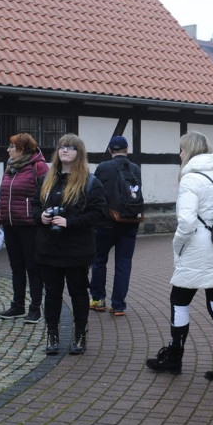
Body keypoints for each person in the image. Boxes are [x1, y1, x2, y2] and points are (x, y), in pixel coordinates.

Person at [145, 130, 213, 383]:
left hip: (196, 250)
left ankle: (174, 357)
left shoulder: (190, 180)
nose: (179, 154)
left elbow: (186, 223)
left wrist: (177, 246)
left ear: (189, 151)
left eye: (181, 149)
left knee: (179, 301)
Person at [32, 134, 108, 356]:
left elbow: (99, 213)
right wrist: (41, 217)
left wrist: (70, 222)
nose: (65, 150)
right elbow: (35, 205)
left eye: (71, 147)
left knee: (78, 293)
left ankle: (79, 335)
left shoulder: (90, 183)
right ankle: (52, 335)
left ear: (79, 153)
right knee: (52, 294)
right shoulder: (46, 180)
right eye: (62, 147)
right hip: (48, 248)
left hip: (77, 249)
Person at [0, 133, 50, 323]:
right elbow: (3, 197)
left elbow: (47, 194)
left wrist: (40, 217)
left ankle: (35, 308)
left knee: (33, 268)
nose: (8, 150)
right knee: (16, 267)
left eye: (11, 147)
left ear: (22, 149)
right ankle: (18, 306)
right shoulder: (11, 167)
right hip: (10, 225)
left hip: (30, 226)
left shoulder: (38, 167)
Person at [89, 135, 142, 316]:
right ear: (127, 149)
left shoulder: (103, 168)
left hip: (106, 223)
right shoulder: (135, 169)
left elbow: (95, 194)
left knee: (99, 261)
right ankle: (118, 305)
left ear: (110, 150)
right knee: (123, 264)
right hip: (130, 222)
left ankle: (98, 300)